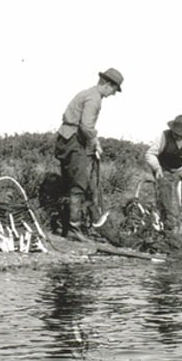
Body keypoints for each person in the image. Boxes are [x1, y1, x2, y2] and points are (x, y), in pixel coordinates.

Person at [54, 68, 123, 241]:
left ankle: (62, 226)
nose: (113, 94)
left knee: (68, 183)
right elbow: (86, 127)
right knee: (78, 185)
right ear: (107, 85)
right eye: (114, 89)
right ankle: (73, 229)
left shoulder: (86, 93)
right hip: (76, 142)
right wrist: (95, 143)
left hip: (66, 139)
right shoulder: (95, 98)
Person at [145, 114, 182, 238]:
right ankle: (168, 231)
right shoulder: (163, 136)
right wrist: (157, 167)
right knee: (165, 198)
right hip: (164, 168)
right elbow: (150, 154)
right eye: (177, 134)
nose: (179, 137)